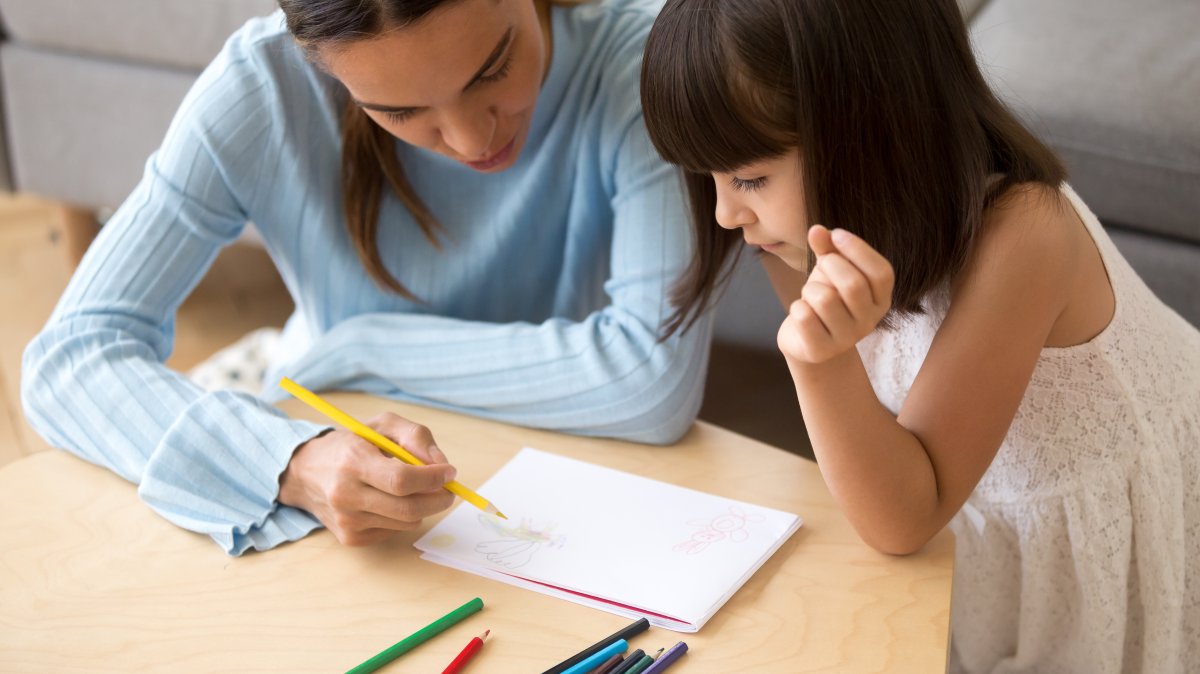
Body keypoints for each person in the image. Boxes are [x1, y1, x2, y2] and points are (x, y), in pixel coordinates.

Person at [21, 0, 711, 556]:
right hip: (346, 455)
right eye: (400, 111)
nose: (473, 140)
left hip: (545, 455)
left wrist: (359, 347)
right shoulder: (261, 89)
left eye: (491, 69)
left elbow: (652, 379)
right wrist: (288, 460)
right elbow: (66, 361)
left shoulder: (641, 64)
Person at [639, 0, 1200, 672]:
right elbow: (879, 454)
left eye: (750, 177)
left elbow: (905, 517)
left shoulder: (1026, 234)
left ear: (874, 127)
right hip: (989, 529)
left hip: (1130, 532)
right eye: (711, 178)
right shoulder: (788, 238)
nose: (727, 212)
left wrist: (820, 363)